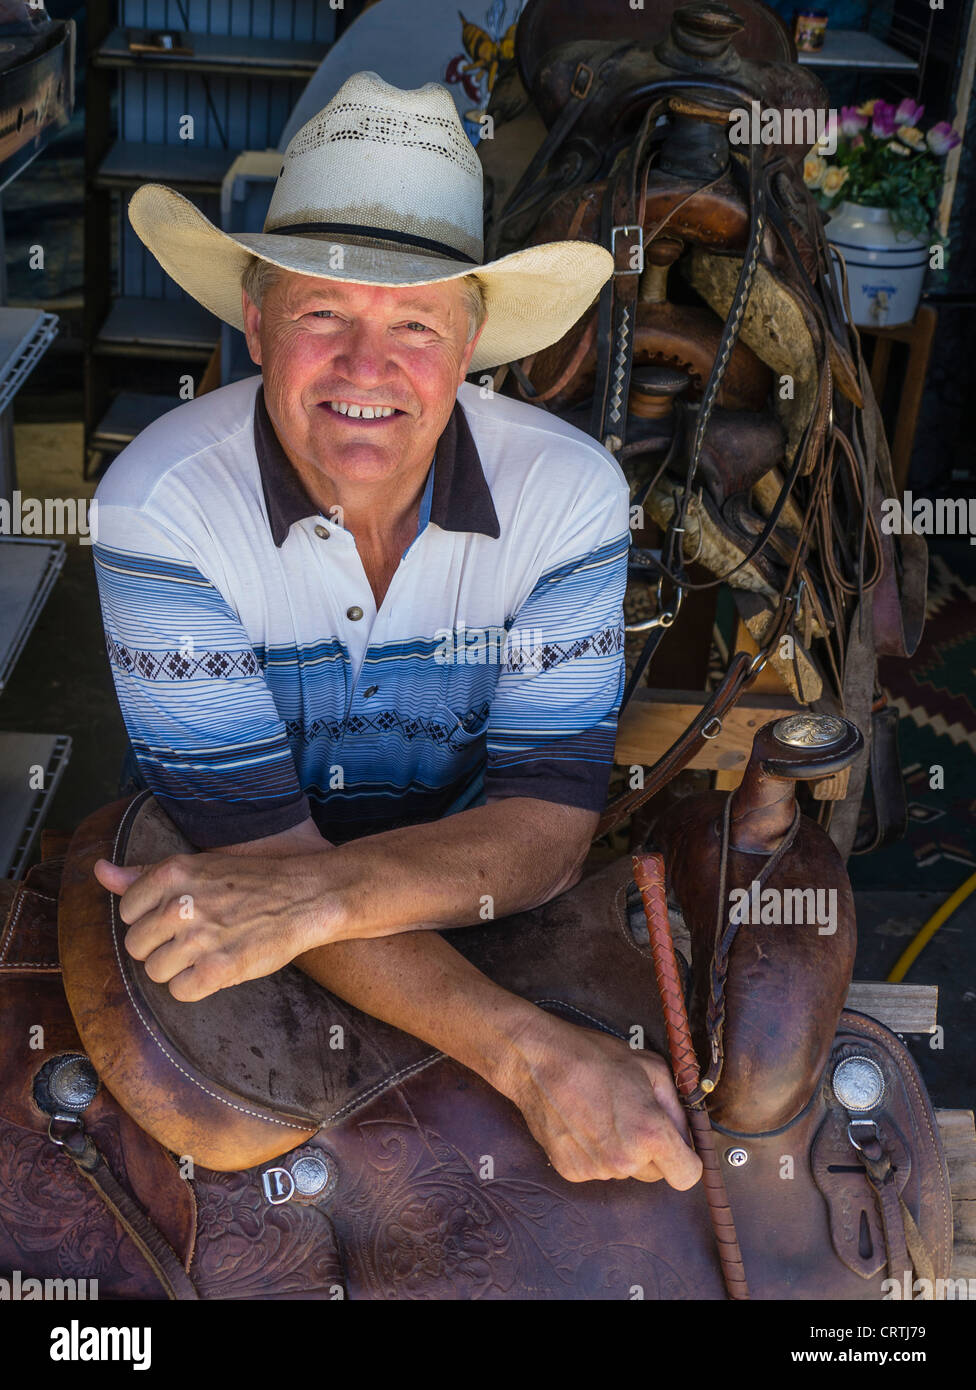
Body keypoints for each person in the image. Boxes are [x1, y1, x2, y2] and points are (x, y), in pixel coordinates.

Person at [91, 71, 701, 1193]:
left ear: (471, 343)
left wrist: (315, 896)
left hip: (455, 900)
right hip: (243, 900)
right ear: (254, 320)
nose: (366, 370)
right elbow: (255, 855)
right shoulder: (160, 503)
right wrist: (525, 1053)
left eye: (415, 322)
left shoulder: (566, 493)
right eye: (322, 310)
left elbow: (547, 826)